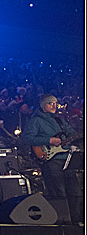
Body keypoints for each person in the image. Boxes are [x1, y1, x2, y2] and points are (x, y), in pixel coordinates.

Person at [22, 94, 83, 225]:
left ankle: (76, 220)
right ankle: (62, 221)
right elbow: (27, 138)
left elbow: (71, 133)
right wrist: (48, 140)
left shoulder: (59, 120)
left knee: (75, 191)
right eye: (51, 103)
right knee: (58, 192)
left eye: (55, 103)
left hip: (67, 158)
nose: (54, 106)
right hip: (51, 160)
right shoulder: (36, 121)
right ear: (43, 105)